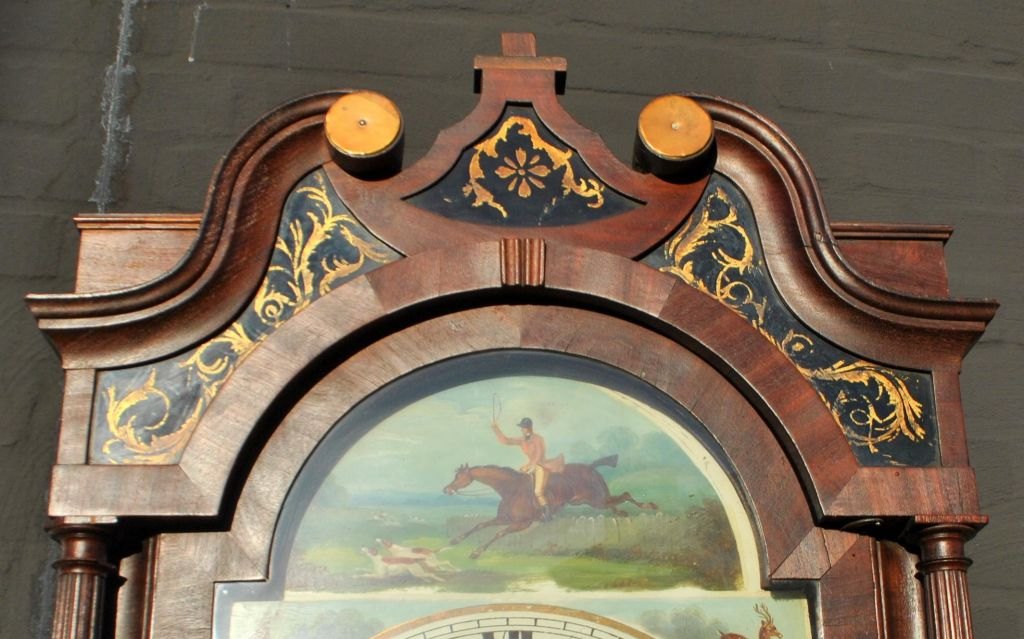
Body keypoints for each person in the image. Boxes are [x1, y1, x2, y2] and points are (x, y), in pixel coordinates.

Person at [490, 417, 565, 521]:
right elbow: (506, 441)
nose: (521, 430)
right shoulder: (522, 440)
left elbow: (539, 454)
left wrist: (532, 466)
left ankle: (548, 514)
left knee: (538, 491)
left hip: (541, 465)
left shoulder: (538, 439)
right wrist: (495, 429)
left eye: (523, 428)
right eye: (521, 428)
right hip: (530, 465)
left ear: (529, 428)